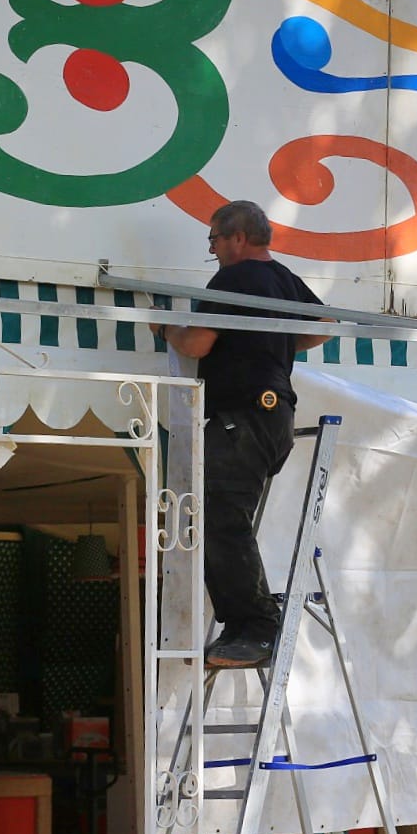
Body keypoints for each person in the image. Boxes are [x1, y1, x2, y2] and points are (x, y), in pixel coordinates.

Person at [150, 201, 332, 667]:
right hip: (274, 419)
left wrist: (166, 326)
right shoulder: (284, 279)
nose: (212, 250)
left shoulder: (232, 279)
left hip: (243, 418)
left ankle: (255, 628)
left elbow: (196, 343)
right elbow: (324, 327)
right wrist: (270, 337)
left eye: (213, 239)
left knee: (214, 515)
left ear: (237, 237)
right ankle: (245, 626)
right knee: (222, 516)